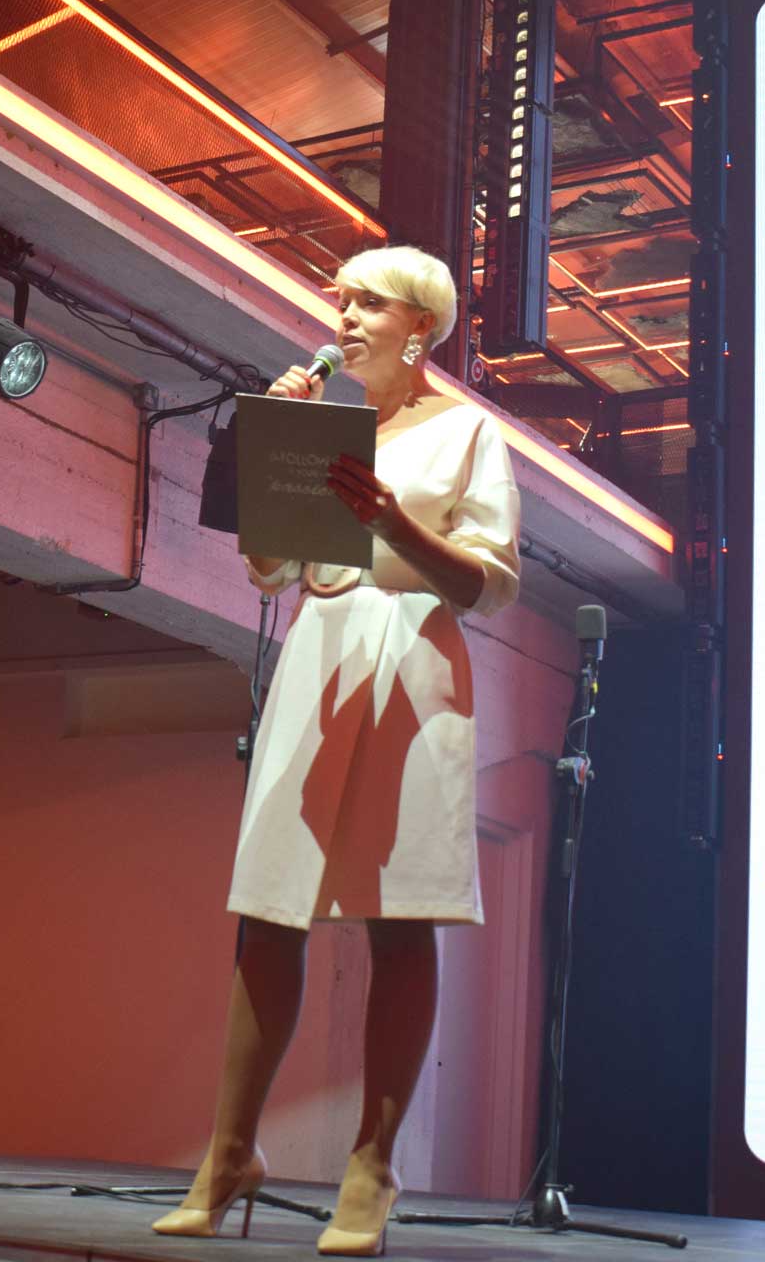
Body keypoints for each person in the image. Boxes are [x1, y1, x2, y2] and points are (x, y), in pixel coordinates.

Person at [153, 245, 520, 1256]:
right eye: (341, 302)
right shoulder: (325, 424)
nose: (345, 317)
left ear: (419, 326)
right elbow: (272, 568)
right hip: (317, 653)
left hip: (412, 660)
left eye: (368, 303)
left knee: (399, 919)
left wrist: (395, 521)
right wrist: (271, 455)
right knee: (270, 913)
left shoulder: (468, 431)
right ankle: (231, 1153)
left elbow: (491, 584)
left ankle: (373, 1162)